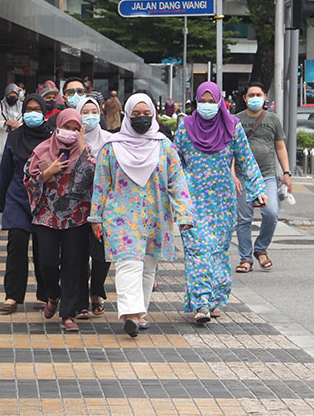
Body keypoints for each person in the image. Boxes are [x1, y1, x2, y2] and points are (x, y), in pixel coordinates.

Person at [90, 93, 193, 337]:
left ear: (155, 116)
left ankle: (140, 312)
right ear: (127, 115)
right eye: (136, 114)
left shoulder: (164, 146)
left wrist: (185, 215)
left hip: (155, 215)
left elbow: (177, 181)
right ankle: (130, 313)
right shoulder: (112, 147)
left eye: (147, 114)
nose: (142, 119)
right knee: (128, 263)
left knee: (148, 267)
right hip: (120, 216)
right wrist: (96, 216)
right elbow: (101, 183)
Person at [175, 82, 266, 324]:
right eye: (202, 101)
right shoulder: (185, 128)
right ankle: (201, 302)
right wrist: (174, 192)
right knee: (197, 251)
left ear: (219, 101)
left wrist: (258, 188)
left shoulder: (232, 127)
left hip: (223, 200)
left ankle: (216, 298)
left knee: (217, 251)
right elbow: (174, 162)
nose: (206, 106)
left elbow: (246, 160)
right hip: (192, 200)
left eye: (210, 101)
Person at [24, 108, 95, 332]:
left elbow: (95, 177)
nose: (70, 133)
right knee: (46, 261)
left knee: (73, 265)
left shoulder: (85, 151)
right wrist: (48, 171)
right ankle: (52, 295)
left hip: (77, 216)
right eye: (67, 128)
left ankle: (68, 314)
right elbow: (27, 179)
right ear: (57, 127)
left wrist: (83, 146)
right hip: (47, 215)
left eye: (76, 129)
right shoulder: (42, 149)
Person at [0, 94, 53, 313]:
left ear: (44, 112)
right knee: (16, 244)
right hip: (17, 197)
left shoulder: (52, 137)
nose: (33, 113)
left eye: (37, 109)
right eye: (29, 109)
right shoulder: (14, 137)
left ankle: (45, 294)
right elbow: (4, 173)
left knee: (43, 249)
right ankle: (12, 296)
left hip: (44, 199)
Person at [233, 82, 291, 274]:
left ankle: (261, 248)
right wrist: (233, 175)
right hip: (243, 176)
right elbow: (230, 150)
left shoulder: (273, 120)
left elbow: (280, 147)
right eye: (251, 95)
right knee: (244, 219)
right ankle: (245, 258)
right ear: (245, 98)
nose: (255, 98)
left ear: (265, 97)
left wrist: (287, 173)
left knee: (272, 213)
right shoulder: (236, 120)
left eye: (258, 94)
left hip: (267, 176)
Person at [76, 96, 112, 317]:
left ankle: (97, 291)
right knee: (78, 253)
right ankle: (80, 296)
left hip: (104, 206)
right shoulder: (69, 139)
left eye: (94, 111)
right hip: (77, 205)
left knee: (101, 253)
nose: (90, 116)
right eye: (85, 111)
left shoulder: (110, 140)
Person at [0, 84, 23, 157]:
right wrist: (5, 123)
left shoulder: (22, 106)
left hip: (17, 142)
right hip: (2, 141)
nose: (12, 97)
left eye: (15, 96)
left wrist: (18, 124)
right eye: (10, 95)